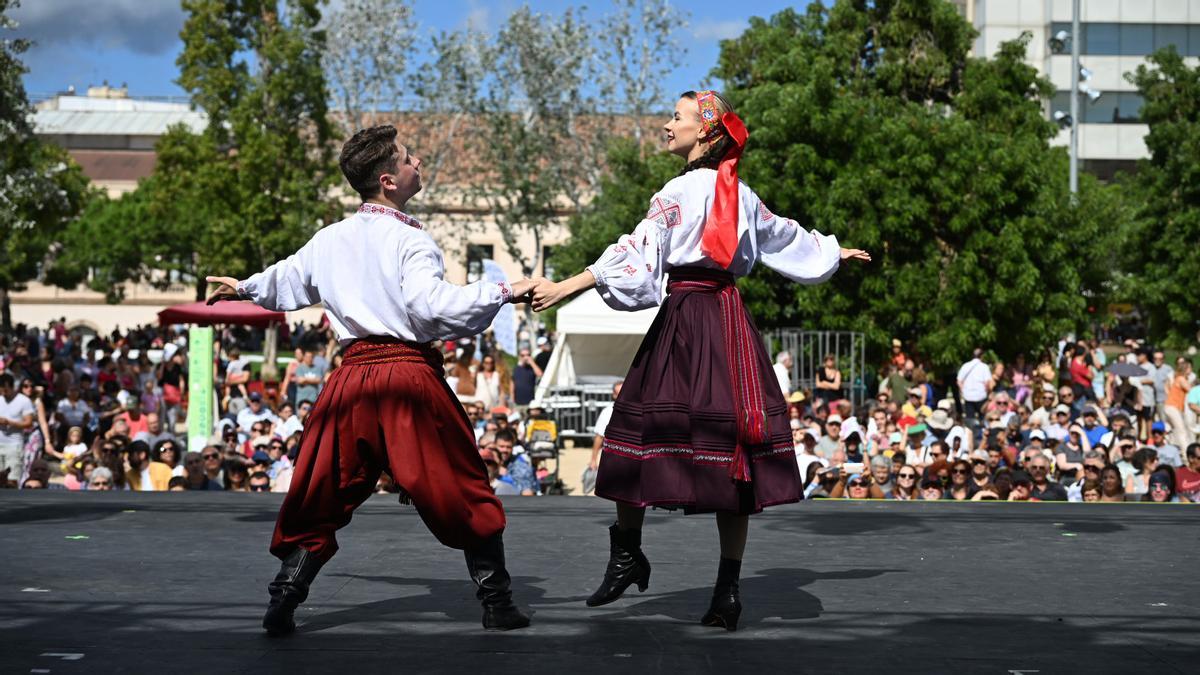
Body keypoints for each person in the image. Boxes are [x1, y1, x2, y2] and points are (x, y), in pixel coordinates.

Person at [529, 90, 870, 631]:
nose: (667, 126)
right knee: (733, 455)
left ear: (705, 134)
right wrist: (832, 252)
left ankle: (629, 554)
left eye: (677, 118)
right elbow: (787, 237)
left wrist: (566, 285)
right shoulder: (740, 194)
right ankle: (724, 591)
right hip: (727, 324)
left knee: (631, 436)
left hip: (687, 319)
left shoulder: (680, 191)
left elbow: (635, 253)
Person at [206, 125, 535, 635]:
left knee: (322, 489)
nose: (418, 161)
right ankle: (498, 602)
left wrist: (244, 286)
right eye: (409, 158)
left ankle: (284, 598)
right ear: (388, 179)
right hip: (406, 378)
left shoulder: (330, 238)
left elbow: (286, 279)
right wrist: (503, 291)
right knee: (458, 484)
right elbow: (430, 310)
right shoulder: (412, 241)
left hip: (352, 382)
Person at [0, 374, 36, 481]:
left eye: (5, 390)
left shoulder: (24, 401)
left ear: (12, 387)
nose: (3, 393)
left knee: (12, 479)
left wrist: (9, 422)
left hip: (14, 445)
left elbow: (28, 422)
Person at [957, 348, 992, 429]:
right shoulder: (984, 367)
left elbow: (959, 381)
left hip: (968, 396)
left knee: (970, 419)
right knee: (983, 418)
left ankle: (971, 434)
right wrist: (988, 392)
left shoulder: (965, 366)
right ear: (982, 356)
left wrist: (964, 390)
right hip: (981, 396)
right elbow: (987, 383)